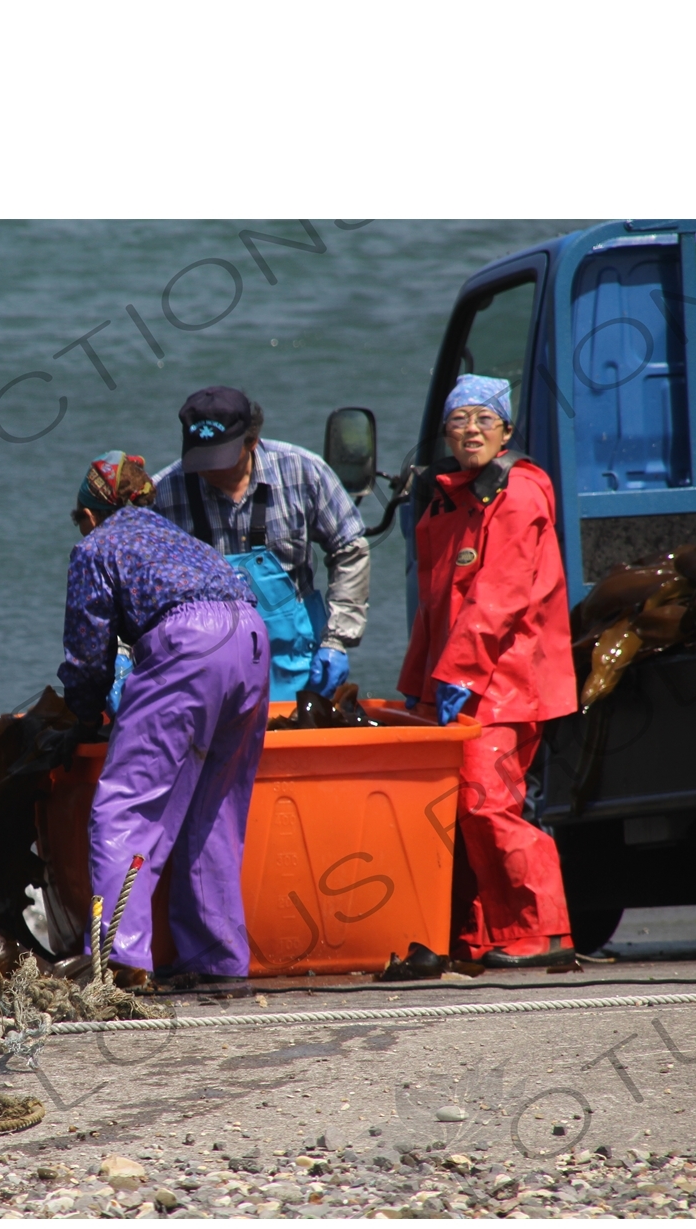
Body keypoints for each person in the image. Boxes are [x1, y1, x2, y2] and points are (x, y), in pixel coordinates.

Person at [57, 451, 270, 983]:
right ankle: (218, 961)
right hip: (251, 639)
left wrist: (83, 715)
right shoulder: (185, 542)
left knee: (125, 808)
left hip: (188, 643)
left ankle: (120, 962)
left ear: (89, 515)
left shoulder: (96, 546)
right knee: (215, 809)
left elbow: (87, 655)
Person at [398, 375, 578, 969]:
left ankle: (544, 931)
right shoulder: (452, 495)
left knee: (487, 803)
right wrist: (421, 683)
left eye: (482, 419)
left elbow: (500, 596)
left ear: (505, 430)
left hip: (506, 680)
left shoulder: (518, 492)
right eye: (458, 420)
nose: (470, 430)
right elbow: (436, 601)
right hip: (465, 678)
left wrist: (460, 675)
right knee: (466, 806)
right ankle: (492, 930)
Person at [152, 385, 370, 700]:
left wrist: (337, 639)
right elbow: (132, 580)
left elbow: (350, 549)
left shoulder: (304, 473)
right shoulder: (163, 495)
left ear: (252, 441)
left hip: (296, 665)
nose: (209, 469)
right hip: (203, 675)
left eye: (219, 458)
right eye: (200, 459)